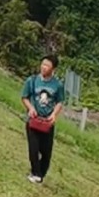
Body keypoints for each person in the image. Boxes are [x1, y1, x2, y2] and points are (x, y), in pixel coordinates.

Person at [20, 54, 65, 184]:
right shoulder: (32, 80)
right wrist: (30, 108)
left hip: (47, 123)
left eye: (47, 66)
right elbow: (24, 97)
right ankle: (35, 173)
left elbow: (60, 102)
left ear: (53, 69)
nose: (44, 67)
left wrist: (54, 115)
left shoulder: (58, 85)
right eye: (43, 64)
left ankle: (40, 173)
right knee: (33, 149)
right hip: (33, 120)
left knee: (46, 152)